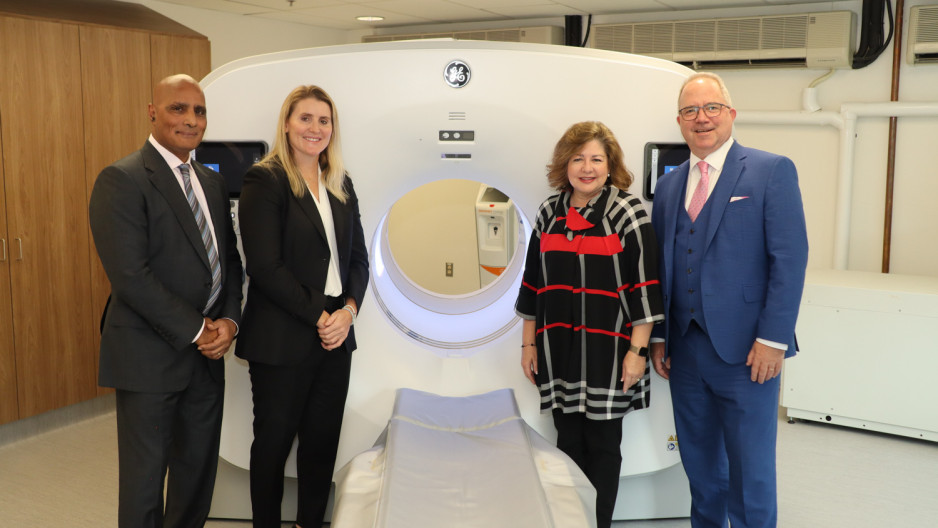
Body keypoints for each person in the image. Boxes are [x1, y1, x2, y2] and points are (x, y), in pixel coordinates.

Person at [649, 72, 809, 528]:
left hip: (748, 351)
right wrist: (660, 336)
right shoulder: (670, 186)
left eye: (711, 108)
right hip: (686, 349)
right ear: (679, 121)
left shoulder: (769, 170)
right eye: (690, 111)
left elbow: (790, 260)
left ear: (731, 114)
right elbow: (662, 267)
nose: (701, 119)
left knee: (750, 471)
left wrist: (773, 340)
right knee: (700, 468)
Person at [88, 74, 244, 528]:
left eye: (199, 111)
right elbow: (132, 277)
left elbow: (229, 261)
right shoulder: (123, 179)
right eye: (178, 108)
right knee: (145, 484)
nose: (191, 120)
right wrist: (199, 330)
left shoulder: (209, 182)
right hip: (149, 357)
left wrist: (230, 322)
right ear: (152, 111)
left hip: (206, 357)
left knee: (196, 478)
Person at [515, 121, 664, 528]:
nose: (587, 167)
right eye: (578, 158)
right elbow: (533, 284)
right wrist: (528, 346)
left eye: (596, 159)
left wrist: (637, 354)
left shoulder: (627, 212)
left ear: (610, 165)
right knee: (567, 443)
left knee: (602, 445)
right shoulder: (549, 212)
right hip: (558, 349)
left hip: (609, 350)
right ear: (565, 164)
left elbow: (645, 289)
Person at [235, 85, 369, 528]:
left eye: (323, 120)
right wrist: (320, 316)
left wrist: (348, 312)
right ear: (287, 123)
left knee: (321, 444)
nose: (315, 128)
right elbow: (265, 266)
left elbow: (358, 260)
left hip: (336, 333)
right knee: (273, 445)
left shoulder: (340, 181)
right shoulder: (265, 179)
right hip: (283, 334)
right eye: (306, 118)